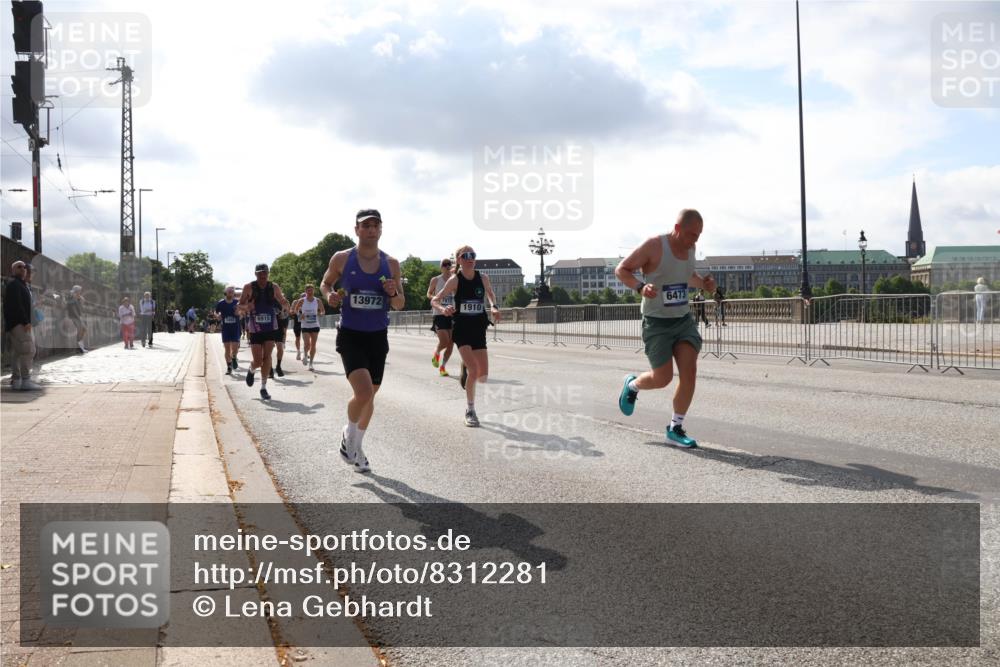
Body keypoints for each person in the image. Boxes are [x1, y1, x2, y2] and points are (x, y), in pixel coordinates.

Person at [614, 208, 716, 448]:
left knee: (689, 372)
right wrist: (640, 287)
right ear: (677, 228)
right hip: (657, 322)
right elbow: (622, 269)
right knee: (663, 378)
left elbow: (687, 274)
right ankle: (632, 385)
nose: (696, 240)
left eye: (699, 235)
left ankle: (675, 427)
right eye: (692, 234)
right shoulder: (654, 246)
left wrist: (705, 283)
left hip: (682, 320)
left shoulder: (690, 248)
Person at [321, 209, 404, 473]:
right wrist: (329, 296)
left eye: (375, 225)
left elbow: (400, 304)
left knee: (369, 398)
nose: (370, 229)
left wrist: (393, 293)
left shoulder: (391, 264)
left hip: (378, 336)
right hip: (351, 335)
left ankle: (355, 445)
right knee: (364, 393)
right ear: (356, 230)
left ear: (381, 230)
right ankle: (350, 439)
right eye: (365, 225)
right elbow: (325, 284)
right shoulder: (343, 259)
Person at [431, 245, 500, 427]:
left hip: (478, 327)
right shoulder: (455, 280)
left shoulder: (482, 277)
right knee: (475, 370)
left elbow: (491, 294)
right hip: (461, 328)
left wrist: (494, 306)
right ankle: (470, 410)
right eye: (466, 255)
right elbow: (435, 299)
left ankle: (465, 368)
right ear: (459, 260)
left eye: (473, 255)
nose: (470, 258)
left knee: (483, 375)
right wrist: (443, 309)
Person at [238, 263, 289, 400]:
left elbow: (283, 301)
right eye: (260, 273)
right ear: (255, 274)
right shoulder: (249, 287)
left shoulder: (274, 287)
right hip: (255, 328)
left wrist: (284, 305)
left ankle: (263, 387)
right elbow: (238, 307)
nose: (262, 275)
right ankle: (251, 369)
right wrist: (246, 307)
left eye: (265, 273)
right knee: (258, 360)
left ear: (268, 273)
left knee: (267, 357)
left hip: (270, 327)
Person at [3, 261, 40, 390]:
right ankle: (25, 380)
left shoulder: (20, 284)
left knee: (18, 353)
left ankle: (17, 380)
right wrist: (25, 322)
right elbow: (16, 305)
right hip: (19, 323)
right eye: (19, 267)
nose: (23, 268)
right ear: (13, 270)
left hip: (18, 323)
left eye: (24, 267)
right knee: (28, 350)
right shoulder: (14, 284)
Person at [427, 257, 455, 377]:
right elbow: (428, 293)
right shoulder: (435, 280)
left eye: (449, 264)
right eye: (445, 264)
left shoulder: (455, 279)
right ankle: (437, 353)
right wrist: (435, 298)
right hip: (439, 313)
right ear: (441, 267)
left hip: (453, 314)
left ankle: (443, 367)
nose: (447, 266)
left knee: (451, 343)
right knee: (444, 341)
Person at [293, 284, 325, 371]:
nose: (310, 292)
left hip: (315, 325)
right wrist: (300, 315)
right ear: (306, 291)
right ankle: (305, 354)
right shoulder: (301, 301)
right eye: (308, 290)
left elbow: (323, 311)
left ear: (313, 291)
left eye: (311, 290)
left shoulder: (317, 300)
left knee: (313, 345)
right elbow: (295, 310)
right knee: (307, 344)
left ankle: (311, 363)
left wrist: (320, 314)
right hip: (305, 325)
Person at [214, 286, 241, 375]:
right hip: (226, 328)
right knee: (227, 349)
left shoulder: (237, 303)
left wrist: (239, 313)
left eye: (232, 291)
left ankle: (234, 357)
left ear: (234, 293)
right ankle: (229, 367)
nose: (230, 292)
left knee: (235, 348)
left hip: (235, 328)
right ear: (225, 292)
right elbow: (216, 311)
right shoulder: (221, 303)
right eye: (229, 291)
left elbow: (243, 312)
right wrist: (217, 315)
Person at [273, 288, 291, 378]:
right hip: (269, 328)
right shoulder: (270, 301)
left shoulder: (284, 302)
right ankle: (268, 369)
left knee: (280, 348)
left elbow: (286, 315)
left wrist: (285, 308)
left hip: (279, 328)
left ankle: (278, 366)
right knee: (267, 349)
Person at [66, 285, 88, 353]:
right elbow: (72, 308)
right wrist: (78, 317)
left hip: (78, 315)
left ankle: (80, 346)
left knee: (83, 329)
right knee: (80, 330)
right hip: (74, 316)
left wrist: (81, 300)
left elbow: (80, 306)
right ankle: (80, 348)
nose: (80, 292)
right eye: (79, 291)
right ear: (76, 291)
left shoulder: (77, 297)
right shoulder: (72, 296)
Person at [291, 293, 304, 360]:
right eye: (302, 297)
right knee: (298, 338)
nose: (303, 299)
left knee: (307, 338)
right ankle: (298, 351)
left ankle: (306, 352)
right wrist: (296, 311)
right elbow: (291, 311)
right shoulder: (295, 302)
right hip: (297, 323)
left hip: (306, 323)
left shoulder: (309, 303)